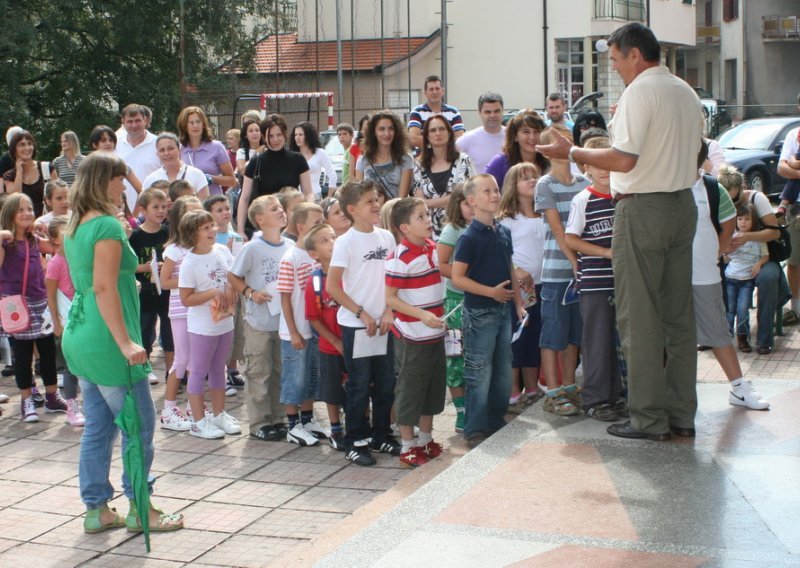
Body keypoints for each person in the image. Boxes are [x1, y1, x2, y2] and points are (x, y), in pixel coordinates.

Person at [536, 22, 703, 441]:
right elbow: (698, 151)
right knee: (679, 319)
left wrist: (570, 151)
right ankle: (681, 414)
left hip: (643, 208)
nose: (614, 69)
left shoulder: (639, 91)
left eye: (614, 59)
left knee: (639, 318)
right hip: (681, 204)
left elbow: (624, 160)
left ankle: (648, 418)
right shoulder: (685, 90)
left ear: (633, 54)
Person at [62, 151, 183, 535]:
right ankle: (140, 510)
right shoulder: (109, 228)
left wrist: (122, 286)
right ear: (106, 181)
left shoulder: (76, 224)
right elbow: (101, 286)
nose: (125, 185)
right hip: (106, 341)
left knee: (99, 424)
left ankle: (96, 509)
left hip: (80, 334)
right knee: (138, 428)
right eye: (120, 178)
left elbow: (94, 281)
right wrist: (127, 342)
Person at [688, 148, 770, 411]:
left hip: (704, 274)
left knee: (718, 331)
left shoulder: (711, 187)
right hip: (669, 276)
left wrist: (718, 251)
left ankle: (739, 387)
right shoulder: (664, 184)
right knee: (673, 336)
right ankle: (678, 391)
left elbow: (728, 221)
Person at [327, 180, 401, 466]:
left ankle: (381, 434)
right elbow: (334, 287)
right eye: (369, 201)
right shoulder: (345, 242)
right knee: (358, 384)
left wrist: (388, 312)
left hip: (384, 323)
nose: (375, 205)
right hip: (357, 325)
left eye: (376, 199)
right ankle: (355, 440)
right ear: (352, 209)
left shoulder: (387, 238)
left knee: (385, 383)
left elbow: (394, 280)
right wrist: (362, 314)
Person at [451, 174, 526, 448]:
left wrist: (517, 302)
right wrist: (490, 292)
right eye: (487, 191)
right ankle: (475, 427)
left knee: (503, 370)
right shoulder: (469, 237)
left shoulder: (503, 231)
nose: (494, 195)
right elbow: (458, 278)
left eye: (496, 190)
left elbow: (509, 268)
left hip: (504, 311)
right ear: (471, 201)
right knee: (479, 372)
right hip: (480, 314)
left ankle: (495, 419)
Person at [564, 136, 625, 421]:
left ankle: (615, 395)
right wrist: (604, 252)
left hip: (623, 282)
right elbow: (571, 239)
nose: (604, 170)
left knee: (618, 342)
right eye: (596, 164)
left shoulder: (623, 196)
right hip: (595, 282)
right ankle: (595, 399)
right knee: (597, 341)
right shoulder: (583, 199)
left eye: (608, 163)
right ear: (586, 167)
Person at [385, 197, 446, 468]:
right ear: (404, 228)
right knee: (410, 389)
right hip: (412, 335)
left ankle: (426, 439)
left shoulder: (434, 248)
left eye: (427, 215)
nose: (427, 220)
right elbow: (391, 298)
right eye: (420, 217)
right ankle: (407, 446)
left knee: (432, 388)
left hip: (435, 334)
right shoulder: (400, 257)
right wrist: (422, 315)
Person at [533, 126, 590, 416]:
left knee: (572, 336)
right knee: (552, 334)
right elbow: (558, 229)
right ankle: (553, 393)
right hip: (557, 273)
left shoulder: (583, 181)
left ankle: (569, 386)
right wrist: (575, 262)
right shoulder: (545, 184)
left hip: (580, 272)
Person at [228, 195, 292, 442]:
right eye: (274, 209)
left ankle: (278, 417)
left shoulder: (289, 245)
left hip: (283, 322)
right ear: (260, 219)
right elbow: (234, 275)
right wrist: (250, 293)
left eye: (281, 207)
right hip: (258, 322)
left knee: (279, 370)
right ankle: (258, 422)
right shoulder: (252, 248)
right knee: (259, 371)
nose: (281, 211)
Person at [178, 209, 241, 439]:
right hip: (202, 326)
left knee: (219, 369)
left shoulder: (222, 250)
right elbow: (186, 299)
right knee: (198, 370)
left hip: (225, 322)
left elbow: (233, 275)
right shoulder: (189, 263)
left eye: (212, 226)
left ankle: (218, 414)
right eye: (206, 228)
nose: (213, 230)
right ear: (192, 234)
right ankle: (197, 421)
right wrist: (212, 292)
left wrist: (233, 288)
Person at [0, 193, 62, 421]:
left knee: (47, 351)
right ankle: (27, 399)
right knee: (22, 355)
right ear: (9, 215)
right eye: (21, 210)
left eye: (29, 209)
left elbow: (58, 247)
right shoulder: (6, 242)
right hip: (15, 304)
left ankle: (52, 396)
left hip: (39, 301)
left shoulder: (34, 240)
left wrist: (46, 230)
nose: (27, 213)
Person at [719, 164, 789, 354]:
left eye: (733, 198)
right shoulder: (716, 200)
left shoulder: (757, 199)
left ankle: (764, 339)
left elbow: (774, 234)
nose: (730, 203)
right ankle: (715, 335)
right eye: (725, 198)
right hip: (731, 259)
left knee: (767, 279)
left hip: (762, 256)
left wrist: (748, 237)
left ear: (741, 189)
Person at [277, 203, 328, 446]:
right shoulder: (290, 258)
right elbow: (285, 297)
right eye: (316, 222)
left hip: (314, 329)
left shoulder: (315, 255)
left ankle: (308, 419)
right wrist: (293, 331)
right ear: (301, 227)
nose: (322, 225)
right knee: (294, 378)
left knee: (311, 377)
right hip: (295, 331)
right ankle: (293, 424)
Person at [497, 163, 546, 414]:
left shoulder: (545, 213)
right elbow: (502, 252)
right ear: (512, 186)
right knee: (518, 337)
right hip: (521, 287)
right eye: (525, 178)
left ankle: (532, 387)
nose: (532, 181)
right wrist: (515, 270)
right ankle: (513, 390)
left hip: (543, 282)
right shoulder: (507, 219)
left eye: (535, 176)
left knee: (536, 337)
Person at [158, 196, 203, 432]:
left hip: (200, 310)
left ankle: (192, 408)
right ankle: (168, 409)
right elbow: (165, 282)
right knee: (182, 359)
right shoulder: (174, 250)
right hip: (180, 311)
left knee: (198, 361)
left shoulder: (203, 248)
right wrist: (190, 283)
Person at [303, 223, 347, 450]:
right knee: (331, 389)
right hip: (330, 347)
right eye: (324, 241)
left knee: (360, 385)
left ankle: (361, 423)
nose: (333, 243)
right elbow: (313, 318)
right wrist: (335, 340)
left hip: (355, 342)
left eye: (333, 237)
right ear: (313, 254)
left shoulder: (349, 273)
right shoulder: (315, 281)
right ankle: (336, 429)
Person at [238, 114, 314, 237]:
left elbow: (308, 192)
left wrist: (307, 212)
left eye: (279, 135)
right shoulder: (256, 161)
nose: (275, 140)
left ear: (285, 134)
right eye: (271, 136)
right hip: (264, 225)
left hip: (292, 224)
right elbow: (245, 197)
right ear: (264, 136)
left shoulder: (298, 159)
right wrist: (240, 230)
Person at [436, 184, 472, 432]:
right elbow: (442, 264)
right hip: (457, 302)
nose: (471, 207)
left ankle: (477, 406)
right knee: (456, 356)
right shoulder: (452, 230)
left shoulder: (489, 227)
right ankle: (460, 411)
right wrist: (468, 281)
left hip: (483, 301)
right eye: (466, 203)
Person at [128, 188, 172, 385]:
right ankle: (144, 368)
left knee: (169, 332)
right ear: (143, 210)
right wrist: (144, 267)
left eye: (164, 207)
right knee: (145, 330)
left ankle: (172, 374)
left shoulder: (168, 233)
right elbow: (127, 265)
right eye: (155, 207)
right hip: (145, 291)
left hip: (166, 291)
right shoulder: (136, 236)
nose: (161, 211)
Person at [45, 215, 85, 427]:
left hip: (83, 317)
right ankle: (71, 406)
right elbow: (51, 296)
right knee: (71, 367)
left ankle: (89, 404)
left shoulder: (78, 257)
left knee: (86, 364)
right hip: (66, 320)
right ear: (55, 240)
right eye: (65, 233)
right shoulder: (55, 264)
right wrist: (57, 324)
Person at [412, 115, 474, 237]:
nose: (438, 133)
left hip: (459, 229)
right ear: (427, 137)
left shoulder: (463, 160)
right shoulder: (418, 164)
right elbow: (419, 202)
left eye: (442, 129)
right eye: (433, 130)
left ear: (449, 133)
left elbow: (461, 197)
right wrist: (445, 200)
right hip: (429, 232)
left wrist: (428, 203)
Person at [724, 204, 769, 351]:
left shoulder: (758, 238)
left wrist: (759, 264)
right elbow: (725, 258)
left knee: (743, 308)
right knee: (729, 308)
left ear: (753, 221)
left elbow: (766, 256)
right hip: (730, 278)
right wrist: (727, 251)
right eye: (740, 219)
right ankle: (725, 337)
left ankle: (742, 337)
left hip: (746, 281)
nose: (743, 222)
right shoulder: (732, 236)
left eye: (747, 219)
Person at [177, 106, 236, 196]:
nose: (195, 126)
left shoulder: (216, 147)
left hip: (212, 202)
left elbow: (232, 181)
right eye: (191, 123)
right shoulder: (180, 149)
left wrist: (212, 179)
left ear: (203, 124)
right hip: (188, 203)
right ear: (185, 126)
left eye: (198, 122)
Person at [776, 101, 800, 326]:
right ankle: (797, 308)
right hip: (797, 208)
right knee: (795, 260)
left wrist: (794, 166)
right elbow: (781, 168)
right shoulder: (795, 134)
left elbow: (789, 166)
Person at [355, 111, 414, 199]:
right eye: (381, 129)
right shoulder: (363, 160)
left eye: (391, 129)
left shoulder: (406, 159)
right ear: (373, 132)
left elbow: (402, 198)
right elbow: (360, 196)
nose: (387, 133)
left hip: (396, 210)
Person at [115, 104, 161, 213]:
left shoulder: (158, 144)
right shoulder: (115, 143)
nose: (134, 125)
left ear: (145, 120)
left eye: (138, 120)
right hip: (121, 211)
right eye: (130, 121)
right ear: (123, 122)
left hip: (152, 212)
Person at [485, 109, 549, 188]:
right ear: (515, 136)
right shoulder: (500, 163)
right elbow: (482, 191)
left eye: (536, 131)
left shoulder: (550, 163)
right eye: (526, 132)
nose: (532, 137)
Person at [3, 130, 55, 217]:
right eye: (22, 144)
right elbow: (15, 200)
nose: (27, 148)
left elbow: (58, 196)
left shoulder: (47, 168)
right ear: (14, 150)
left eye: (30, 143)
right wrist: (19, 173)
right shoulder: (9, 176)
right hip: (23, 223)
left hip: (46, 223)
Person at [143, 133, 209, 200]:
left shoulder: (196, 174)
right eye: (162, 150)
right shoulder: (150, 180)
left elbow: (204, 205)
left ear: (179, 150)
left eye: (170, 148)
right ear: (157, 153)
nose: (166, 153)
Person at [407, 75, 465, 149]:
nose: (435, 92)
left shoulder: (453, 113)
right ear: (425, 93)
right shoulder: (417, 112)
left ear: (443, 91)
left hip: (448, 158)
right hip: (424, 158)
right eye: (431, 89)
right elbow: (413, 139)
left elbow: (460, 138)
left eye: (437, 88)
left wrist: (439, 148)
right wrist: (437, 147)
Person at [456, 91, 505, 174]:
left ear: (503, 111)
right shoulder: (467, 139)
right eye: (488, 112)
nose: (493, 115)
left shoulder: (512, 135)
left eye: (496, 111)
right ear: (479, 112)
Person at [89, 125, 143, 199]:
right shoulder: (87, 167)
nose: (108, 143)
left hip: (117, 208)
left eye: (111, 140)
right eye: (103, 140)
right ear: (94, 145)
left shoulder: (120, 166)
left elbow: (142, 192)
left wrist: (135, 211)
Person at [290, 121, 336, 200]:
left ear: (308, 136)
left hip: (315, 196)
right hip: (296, 198)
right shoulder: (292, 155)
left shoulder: (320, 153)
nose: (297, 137)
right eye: (295, 135)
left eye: (301, 134)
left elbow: (332, 176)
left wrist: (329, 198)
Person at [347, 115, 370, 185]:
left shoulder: (383, 148)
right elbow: (351, 175)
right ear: (361, 130)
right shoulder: (355, 148)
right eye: (364, 128)